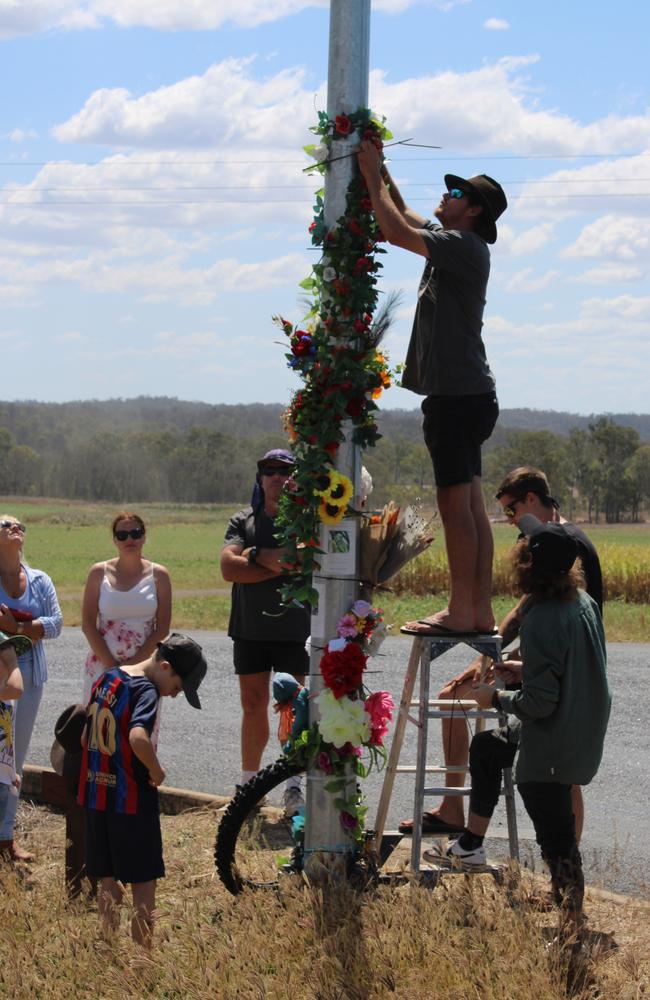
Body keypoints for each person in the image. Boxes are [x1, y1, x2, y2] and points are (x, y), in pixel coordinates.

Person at [432, 516, 611, 940]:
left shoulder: (545, 619)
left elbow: (539, 704)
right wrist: (522, 668)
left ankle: (572, 927)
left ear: (529, 564)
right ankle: (472, 843)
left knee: (556, 839)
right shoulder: (582, 602)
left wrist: (491, 697)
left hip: (554, 740)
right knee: (488, 747)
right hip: (581, 722)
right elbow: (566, 667)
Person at [399, 467, 602, 838]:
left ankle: (561, 855)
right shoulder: (550, 538)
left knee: (564, 780)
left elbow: (561, 624)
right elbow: (524, 611)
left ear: (531, 500)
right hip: (543, 661)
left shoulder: (562, 543)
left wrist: (520, 666)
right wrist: (487, 657)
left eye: (511, 511)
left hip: (559, 669)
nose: (509, 522)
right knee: (452, 696)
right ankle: (454, 810)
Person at [357, 141, 507, 636]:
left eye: (456, 192)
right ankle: (477, 610)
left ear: (475, 209)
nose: (445, 196)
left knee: (455, 510)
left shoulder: (462, 246)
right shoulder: (454, 241)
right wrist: (379, 168)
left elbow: (393, 230)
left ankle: (461, 610)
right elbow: (402, 211)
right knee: (471, 510)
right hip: (470, 395)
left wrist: (367, 172)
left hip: (456, 398)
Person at [78, 633, 207, 948]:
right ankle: (142, 960)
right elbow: (138, 737)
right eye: (177, 688)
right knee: (143, 887)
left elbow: (84, 738)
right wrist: (156, 769)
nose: (174, 695)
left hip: (97, 799)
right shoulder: (146, 690)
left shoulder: (106, 679)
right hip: (131, 802)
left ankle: (107, 946)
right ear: (164, 666)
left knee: (107, 880)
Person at [221, 449, 310, 817]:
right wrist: (274, 561)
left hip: (294, 629)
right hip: (250, 628)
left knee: (293, 709)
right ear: (260, 479)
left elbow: (302, 559)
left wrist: (254, 557)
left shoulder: (305, 521)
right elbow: (229, 567)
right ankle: (250, 785)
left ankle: (292, 788)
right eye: (268, 471)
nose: (276, 476)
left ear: (294, 479)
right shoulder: (243, 520)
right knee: (252, 706)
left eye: (284, 471)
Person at [0, 514, 63, 862]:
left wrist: (16, 626)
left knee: (14, 761)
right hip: (0, 678)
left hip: (31, 680)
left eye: (19, 525)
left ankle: (6, 839)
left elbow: (56, 625)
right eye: (5, 524)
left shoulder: (40, 580)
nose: (14, 527)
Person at [81, 511, 172, 705]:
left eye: (136, 533)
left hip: (145, 668)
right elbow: (88, 624)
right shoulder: (98, 572)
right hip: (102, 665)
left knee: (139, 729)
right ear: (114, 540)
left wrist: (133, 666)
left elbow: (162, 628)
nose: (129, 539)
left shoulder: (160, 575)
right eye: (122, 535)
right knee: (100, 730)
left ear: (144, 536)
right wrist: (112, 666)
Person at [0, 631, 28, 829]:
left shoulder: (6, 698)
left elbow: (7, 737)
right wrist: (14, 665)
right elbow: (17, 688)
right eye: (5, 658)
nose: (11, 663)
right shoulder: (8, 692)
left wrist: (11, 772)